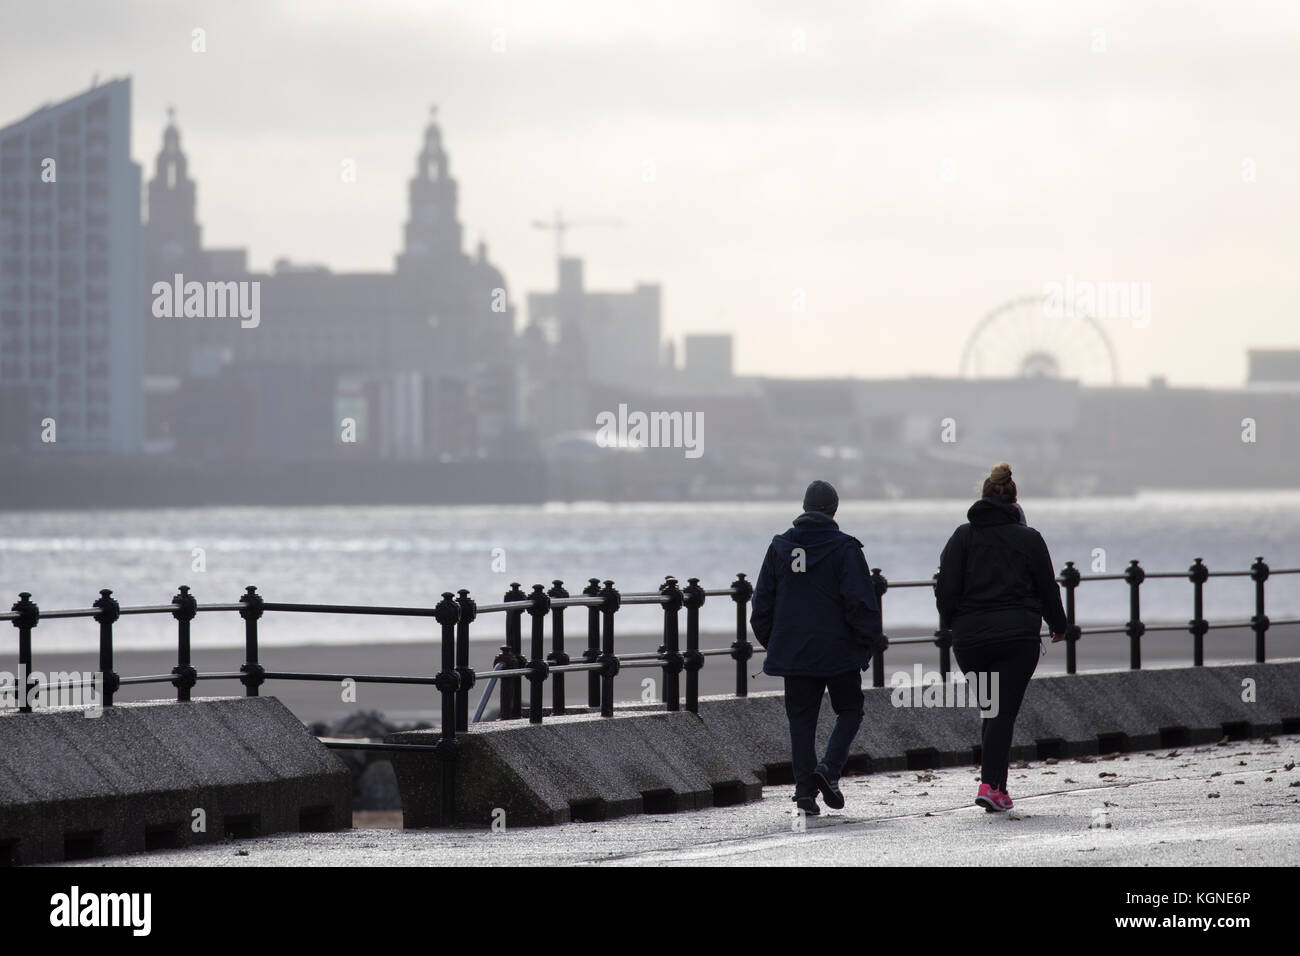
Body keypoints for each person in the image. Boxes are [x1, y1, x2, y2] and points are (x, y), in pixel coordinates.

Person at [936, 462, 1067, 812]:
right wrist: (1059, 625)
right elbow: (1047, 588)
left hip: (971, 640)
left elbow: (946, 587)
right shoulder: (1029, 538)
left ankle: (996, 786)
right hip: (1016, 638)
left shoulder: (962, 536)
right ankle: (991, 785)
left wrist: (951, 622)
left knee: (992, 710)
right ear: (1014, 502)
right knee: (1001, 712)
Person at [750, 480, 886, 816]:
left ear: (805, 507)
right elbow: (860, 603)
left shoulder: (780, 546)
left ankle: (804, 793)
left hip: (794, 651)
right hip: (838, 653)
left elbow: (761, 604)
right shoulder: (845, 549)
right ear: (834, 510)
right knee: (850, 710)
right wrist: (864, 644)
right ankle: (829, 769)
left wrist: (777, 642)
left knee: (801, 720)